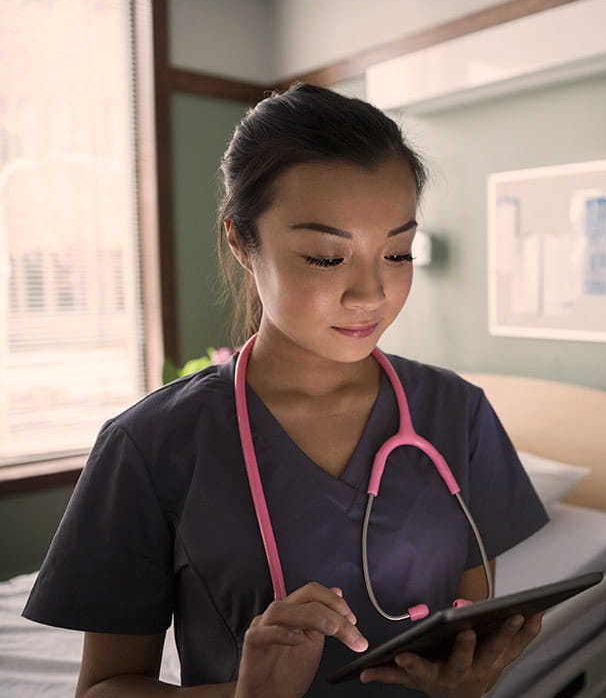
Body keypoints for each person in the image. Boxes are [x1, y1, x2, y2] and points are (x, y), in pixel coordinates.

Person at [23, 82, 549, 697]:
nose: (371, 294)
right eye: (327, 258)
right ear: (242, 243)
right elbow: (103, 689)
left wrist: (468, 680)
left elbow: (466, 626)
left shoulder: (457, 412)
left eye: (399, 253)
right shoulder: (149, 444)